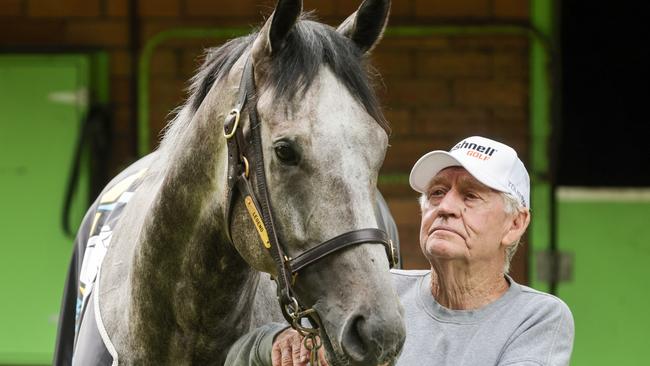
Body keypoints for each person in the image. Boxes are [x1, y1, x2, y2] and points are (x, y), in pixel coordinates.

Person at [226, 136, 575, 366]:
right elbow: (236, 357)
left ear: (515, 224)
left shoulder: (537, 318)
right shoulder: (378, 291)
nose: (446, 207)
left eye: (470, 196)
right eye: (437, 193)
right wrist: (276, 343)